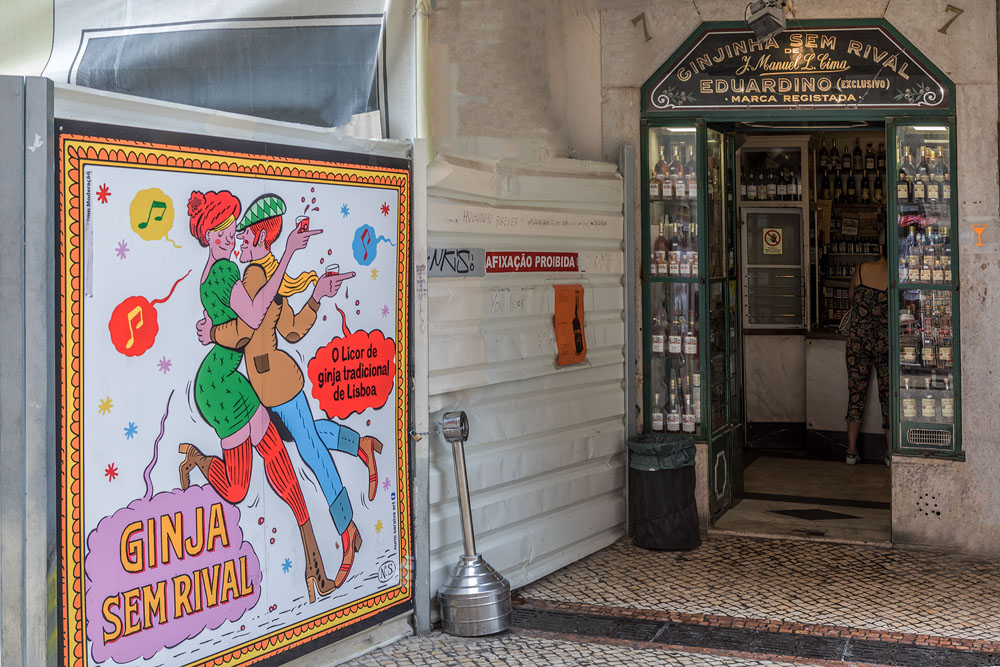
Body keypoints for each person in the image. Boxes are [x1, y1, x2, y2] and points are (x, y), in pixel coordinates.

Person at [198, 194, 382, 588]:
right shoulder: (263, 275)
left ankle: (347, 529)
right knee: (307, 436)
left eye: (244, 235)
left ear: (260, 238)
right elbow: (290, 330)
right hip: (269, 387)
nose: (239, 240)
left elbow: (248, 331)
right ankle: (361, 444)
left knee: (311, 450)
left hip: (279, 387)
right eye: (234, 234)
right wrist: (315, 296)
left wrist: (213, 332)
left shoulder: (254, 277)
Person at [178, 190, 336, 603]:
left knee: (279, 461)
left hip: (234, 379)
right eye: (222, 231)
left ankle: (314, 562)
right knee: (236, 490)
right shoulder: (223, 273)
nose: (230, 237)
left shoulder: (221, 270)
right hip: (219, 387)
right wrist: (287, 254)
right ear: (207, 236)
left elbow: (251, 322)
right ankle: (199, 459)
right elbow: (250, 319)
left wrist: (215, 330)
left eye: (232, 230)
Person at [844, 241, 890, 466]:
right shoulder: (896, 277)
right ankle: (890, 452)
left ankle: (851, 452)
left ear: (881, 249)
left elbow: (851, 297)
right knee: (888, 396)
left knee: (856, 394)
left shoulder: (862, 268)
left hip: (858, 342)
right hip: (885, 343)